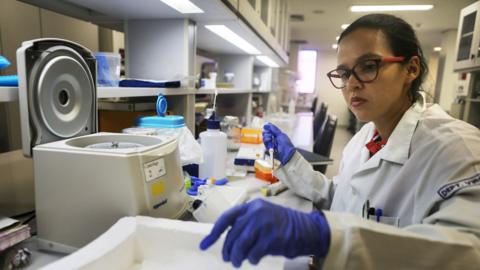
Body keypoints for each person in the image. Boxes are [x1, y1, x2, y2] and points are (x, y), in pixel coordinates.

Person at [199, 13, 480, 269]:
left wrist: (324, 234)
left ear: (411, 69)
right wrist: (291, 162)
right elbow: (342, 196)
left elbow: (470, 253)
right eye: (344, 73)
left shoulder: (457, 149)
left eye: (368, 66)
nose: (352, 83)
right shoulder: (365, 138)